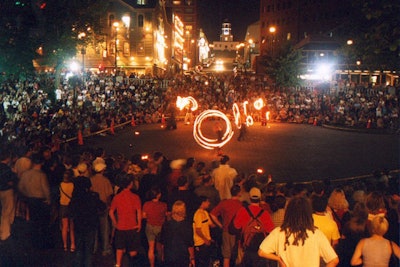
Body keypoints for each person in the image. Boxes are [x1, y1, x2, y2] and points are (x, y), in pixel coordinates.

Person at [258, 196, 339, 267]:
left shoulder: (279, 232)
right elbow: (334, 260)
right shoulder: (316, 234)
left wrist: (279, 259)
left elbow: (261, 252)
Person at [233, 187, 275, 267]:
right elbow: (270, 230)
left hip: (245, 246)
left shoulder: (242, 211)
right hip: (260, 247)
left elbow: (236, 227)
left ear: (250, 198)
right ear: (260, 198)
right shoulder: (265, 213)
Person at [18, 152, 51, 248]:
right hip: (40, 200)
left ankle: (33, 241)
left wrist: (26, 195)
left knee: (33, 221)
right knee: (42, 222)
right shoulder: (41, 175)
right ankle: (42, 242)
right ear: (41, 163)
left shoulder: (25, 174)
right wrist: (48, 199)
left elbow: (20, 187)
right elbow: (45, 189)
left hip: (30, 200)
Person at [109, 172, 142, 267]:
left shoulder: (117, 197)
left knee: (119, 249)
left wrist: (115, 223)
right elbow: (138, 212)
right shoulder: (135, 197)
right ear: (130, 184)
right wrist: (139, 223)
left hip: (121, 227)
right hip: (132, 226)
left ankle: (118, 264)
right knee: (133, 251)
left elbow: (111, 212)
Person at [70, 176, 101, 267]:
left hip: (79, 226)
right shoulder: (92, 196)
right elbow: (102, 206)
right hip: (90, 226)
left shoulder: (75, 198)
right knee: (88, 251)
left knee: (79, 250)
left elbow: (71, 213)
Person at [210, 184, 243, 267]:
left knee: (226, 256)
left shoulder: (224, 203)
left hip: (226, 231)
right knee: (237, 255)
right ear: (239, 193)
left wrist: (220, 225)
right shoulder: (241, 205)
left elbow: (213, 214)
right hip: (238, 233)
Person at [159, 200, 195, 267]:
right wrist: (192, 258)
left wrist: (162, 255)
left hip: (169, 255)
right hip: (182, 256)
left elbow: (162, 242)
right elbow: (190, 244)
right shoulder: (187, 225)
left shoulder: (166, 224)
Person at [90, 160, 113, 255]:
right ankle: (105, 248)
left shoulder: (90, 180)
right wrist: (109, 205)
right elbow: (109, 195)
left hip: (93, 207)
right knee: (105, 228)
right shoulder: (106, 181)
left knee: (94, 229)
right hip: (103, 206)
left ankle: (93, 248)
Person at [142, 187, 167, 267]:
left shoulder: (146, 204)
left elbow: (144, 216)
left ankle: (152, 265)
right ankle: (161, 263)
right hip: (160, 227)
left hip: (149, 226)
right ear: (158, 195)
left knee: (151, 248)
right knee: (160, 247)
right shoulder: (163, 205)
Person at [0, 147, 18, 241]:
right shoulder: (7, 169)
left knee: (3, 210)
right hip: (7, 191)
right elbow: (12, 180)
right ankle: (5, 233)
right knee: (6, 212)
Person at [193, 196, 216, 267]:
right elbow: (198, 230)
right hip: (200, 243)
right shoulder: (198, 214)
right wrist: (205, 239)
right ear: (203, 203)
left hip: (206, 242)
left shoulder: (205, 213)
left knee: (207, 261)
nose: (209, 203)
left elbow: (211, 224)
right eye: (207, 201)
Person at [59, 168, 76, 252]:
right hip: (71, 206)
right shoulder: (73, 185)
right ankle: (73, 244)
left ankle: (65, 245)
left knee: (64, 227)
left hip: (63, 206)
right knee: (72, 227)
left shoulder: (61, 184)